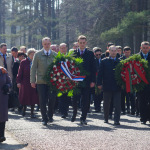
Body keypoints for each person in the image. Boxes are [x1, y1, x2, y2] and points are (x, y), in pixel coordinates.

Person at [30, 37, 57, 126]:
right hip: (41, 81)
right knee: (42, 100)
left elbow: (59, 68)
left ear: (50, 43)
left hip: (52, 81)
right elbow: (33, 68)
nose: (46, 45)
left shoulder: (55, 55)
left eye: (48, 44)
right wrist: (32, 81)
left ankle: (50, 115)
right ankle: (44, 118)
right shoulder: (37, 54)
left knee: (52, 99)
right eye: (45, 44)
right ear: (42, 44)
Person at [71, 35, 96, 125]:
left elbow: (93, 68)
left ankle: (83, 118)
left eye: (83, 43)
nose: (82, 44)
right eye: (80, 43)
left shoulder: (90, 54)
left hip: (87, 80)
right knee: (74, 99)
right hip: (75, 81)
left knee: (86, 100)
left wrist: (93, 81)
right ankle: (74, 113)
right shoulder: (73, 53)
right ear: (78, 43)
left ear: (86, 43)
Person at [97, 45, 121, 125]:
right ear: (109, 51)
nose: (114, 52)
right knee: (106, 103)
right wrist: (99, 83)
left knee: (117, 104)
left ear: (117, 52)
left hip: (117, 86)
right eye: (112, 51)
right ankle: (106, 118)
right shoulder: (104, 61)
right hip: (107, 85)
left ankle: (116, 120)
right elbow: (100, 74)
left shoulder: (120, 61)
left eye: (115, 51)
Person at [17, 48, 39, 118]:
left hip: (34, 82)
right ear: (28, 54)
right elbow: (20, 73)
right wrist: (18, 82)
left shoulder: (37, 62)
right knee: (25, 96)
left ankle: (32, 112)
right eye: (31, 54)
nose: (33, 55)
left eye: (34, 54)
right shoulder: (23, 62)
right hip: (25, 81)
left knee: (33, 97)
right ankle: (24, 110)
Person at [120, 46, 136, 115]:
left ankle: (133, 110)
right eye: (126, 52)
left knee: (132, 96)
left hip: (131, 80)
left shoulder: (133, 59)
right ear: (123, 52)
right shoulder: (120, 59)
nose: (127, 54)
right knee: (123, 96)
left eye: (128, 52)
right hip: (123, 80)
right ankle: (123, 109)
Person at [137, 41, 150, 124]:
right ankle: (143, 118)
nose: (145, 49)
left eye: (147, 48)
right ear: (140, 48)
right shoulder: (136, 57)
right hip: (140, 83)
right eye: (143, 48)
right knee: (141, 101)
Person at [58, 43, 70, 118]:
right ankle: (63, 112)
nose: (63, 49)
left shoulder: (70, 57)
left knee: (67, 97)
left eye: (64, 48)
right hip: (59, 80)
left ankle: (66, 110)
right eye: (61, 48)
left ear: (67, 48)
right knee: (61, 96)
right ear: (59, 49)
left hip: (69, 80)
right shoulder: (57, 57)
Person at [0, 66, 11, 142]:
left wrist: (7, 86)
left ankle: (1, 135)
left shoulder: (3, 70)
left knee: (2, 117)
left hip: (2, 97)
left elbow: (10, 82)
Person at [93, 47, 103, 112]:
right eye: (97, 55)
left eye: (99, 54)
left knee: (101, 94)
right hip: (95, 79)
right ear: (94, 54)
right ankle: (97, 107)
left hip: (102, 79)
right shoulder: (93, 60)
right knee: (95, 94)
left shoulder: (103, 60)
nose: (98, 56)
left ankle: (99, 105)